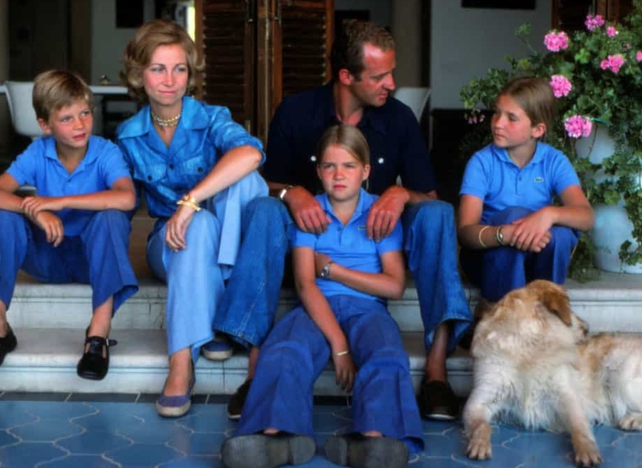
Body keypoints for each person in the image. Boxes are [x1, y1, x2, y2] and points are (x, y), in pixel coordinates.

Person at [213, 19, 472, 421]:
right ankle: (255, 373)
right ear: (346, 76)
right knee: (263, 211)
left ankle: (436, 372)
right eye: (380, 75)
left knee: (438, 214)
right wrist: (289, 192)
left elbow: (429, 196)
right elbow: (261, 185)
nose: (391, 82)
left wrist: (401, 192)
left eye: (392, 71)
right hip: (305, 244)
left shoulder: (400, 119)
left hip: (373, 244)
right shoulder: (297, 111)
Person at [221, 125, 423, 468]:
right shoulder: (311, 212)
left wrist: (333, 270)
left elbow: (393, 286)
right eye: (329, 166)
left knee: (386, 354)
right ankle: (276, 438)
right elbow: (305, 284)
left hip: (368, 308)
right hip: (315, 306)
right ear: (318, 171)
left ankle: (375, 440)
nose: (339, 175)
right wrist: (340, 346)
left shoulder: (379, 213)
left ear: (366, 171)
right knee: (285, 351)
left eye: (348, 166)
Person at [116, 19, 268, 418]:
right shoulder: (129, 136)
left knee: (244, 181)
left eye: (179, 68)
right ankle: (182, 360)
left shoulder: (213, 117)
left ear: (190, 74)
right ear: (139, 75)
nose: (170, 80)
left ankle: (188, 355)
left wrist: (191, 200)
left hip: (216, 234)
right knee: (193, 228)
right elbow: (122, 204)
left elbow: (251, 154)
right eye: (158, 69)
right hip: (169, 244)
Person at [0, 70, 138, 381]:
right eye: (67, 118)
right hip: (48, 257)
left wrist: (59, 203)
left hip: (93, 261)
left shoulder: (106, 152)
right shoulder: (38, 152)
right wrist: (34, 211)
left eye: (85, 113)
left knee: (112, 216)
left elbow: (127, 198)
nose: (80, 124)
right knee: (3, 217)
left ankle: (97, 336)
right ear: (45, 125)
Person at [458, 76, 594, 304]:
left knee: (560, 233)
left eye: (511, 118)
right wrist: (505, 234)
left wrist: (548, 214)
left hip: (534, 261)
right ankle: (504, 316)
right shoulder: (482, 162)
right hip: (488, 261)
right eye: (496, 113)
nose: (498, 123)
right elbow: (465, 232)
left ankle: (549, 310)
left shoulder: (554, 161)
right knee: (513, 216)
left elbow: (587, 217)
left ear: (537, 129)